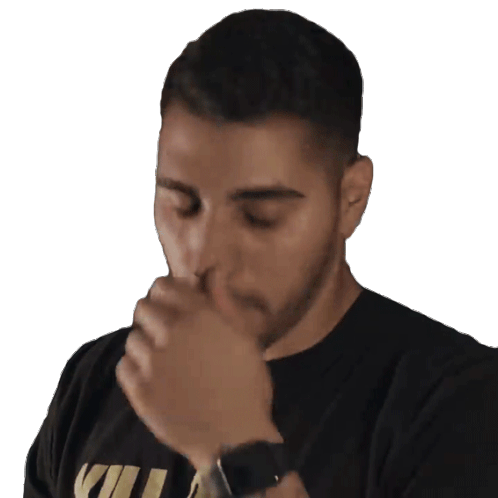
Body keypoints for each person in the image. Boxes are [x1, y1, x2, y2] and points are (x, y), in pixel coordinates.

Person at [24, 8, 498, 498]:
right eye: (183, 206)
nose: (203, 257)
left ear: (350, 199)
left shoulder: (460, 404)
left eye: (259, 217)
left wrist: (236, 448)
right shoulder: (96, 379)